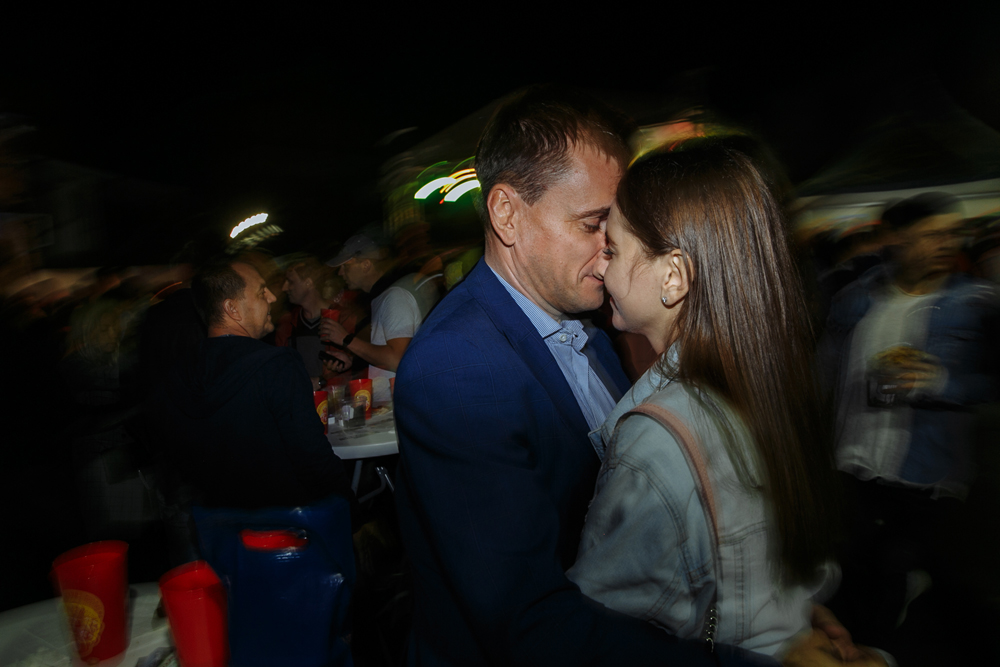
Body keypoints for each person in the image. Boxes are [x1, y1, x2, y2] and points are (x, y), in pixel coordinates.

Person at [392, 86, 862, 667]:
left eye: (616, 231)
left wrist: (778, 612)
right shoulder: (456, 370)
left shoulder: (593, 320)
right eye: (594, 224)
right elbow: (529, 623)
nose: (608, 252)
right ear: (507, 213)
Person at [564, 142, 842, 659]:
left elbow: (603, 637)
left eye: (614, 249)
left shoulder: (658, 438)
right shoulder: (769, 381)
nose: (601, 267)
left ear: (674, 276)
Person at [822, 192, 999, 648]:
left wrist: (941, 380)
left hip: (923, 476)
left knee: (895, 579)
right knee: (855, 571)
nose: (947, 244)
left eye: (952, 234)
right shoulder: (855, 299)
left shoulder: (975, 303)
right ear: (897, 240)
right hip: (853, 463)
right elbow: (824, 372)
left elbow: (991, 385)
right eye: (932, 235)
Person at [157, 259, 353, 510]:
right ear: (232, 309)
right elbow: (313, 457)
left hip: (218, 523)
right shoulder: (276, 365)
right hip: (288, 521)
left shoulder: (179, 372)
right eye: (262, 292)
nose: (273, 297)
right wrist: (351, 513)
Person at [321, 231, 439, 403]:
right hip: (392, 405)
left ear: (366, 265)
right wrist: (353, 360)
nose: (340, 273)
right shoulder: (380, 298)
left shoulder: (394, 297)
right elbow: (385, 352)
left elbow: (397, 359)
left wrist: (346, 339)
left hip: (401, 404)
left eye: (346, 266)